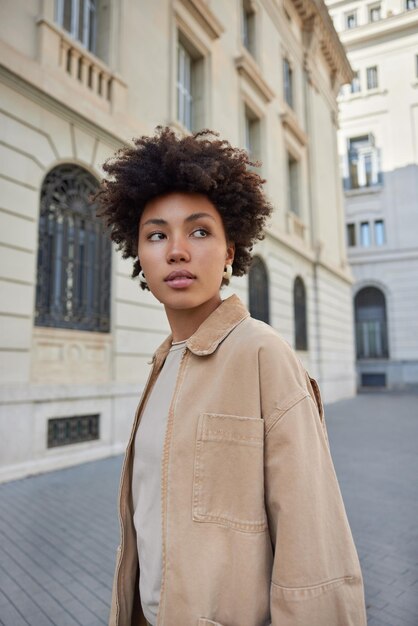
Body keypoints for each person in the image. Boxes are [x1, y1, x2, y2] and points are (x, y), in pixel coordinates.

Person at [97, 127, 367, 626]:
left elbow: (314, 548)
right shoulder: (163, 363)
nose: (176, 250)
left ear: (229, 252)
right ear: (140, 255)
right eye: (157, 234)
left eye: (200, 231)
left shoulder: (262, 353)